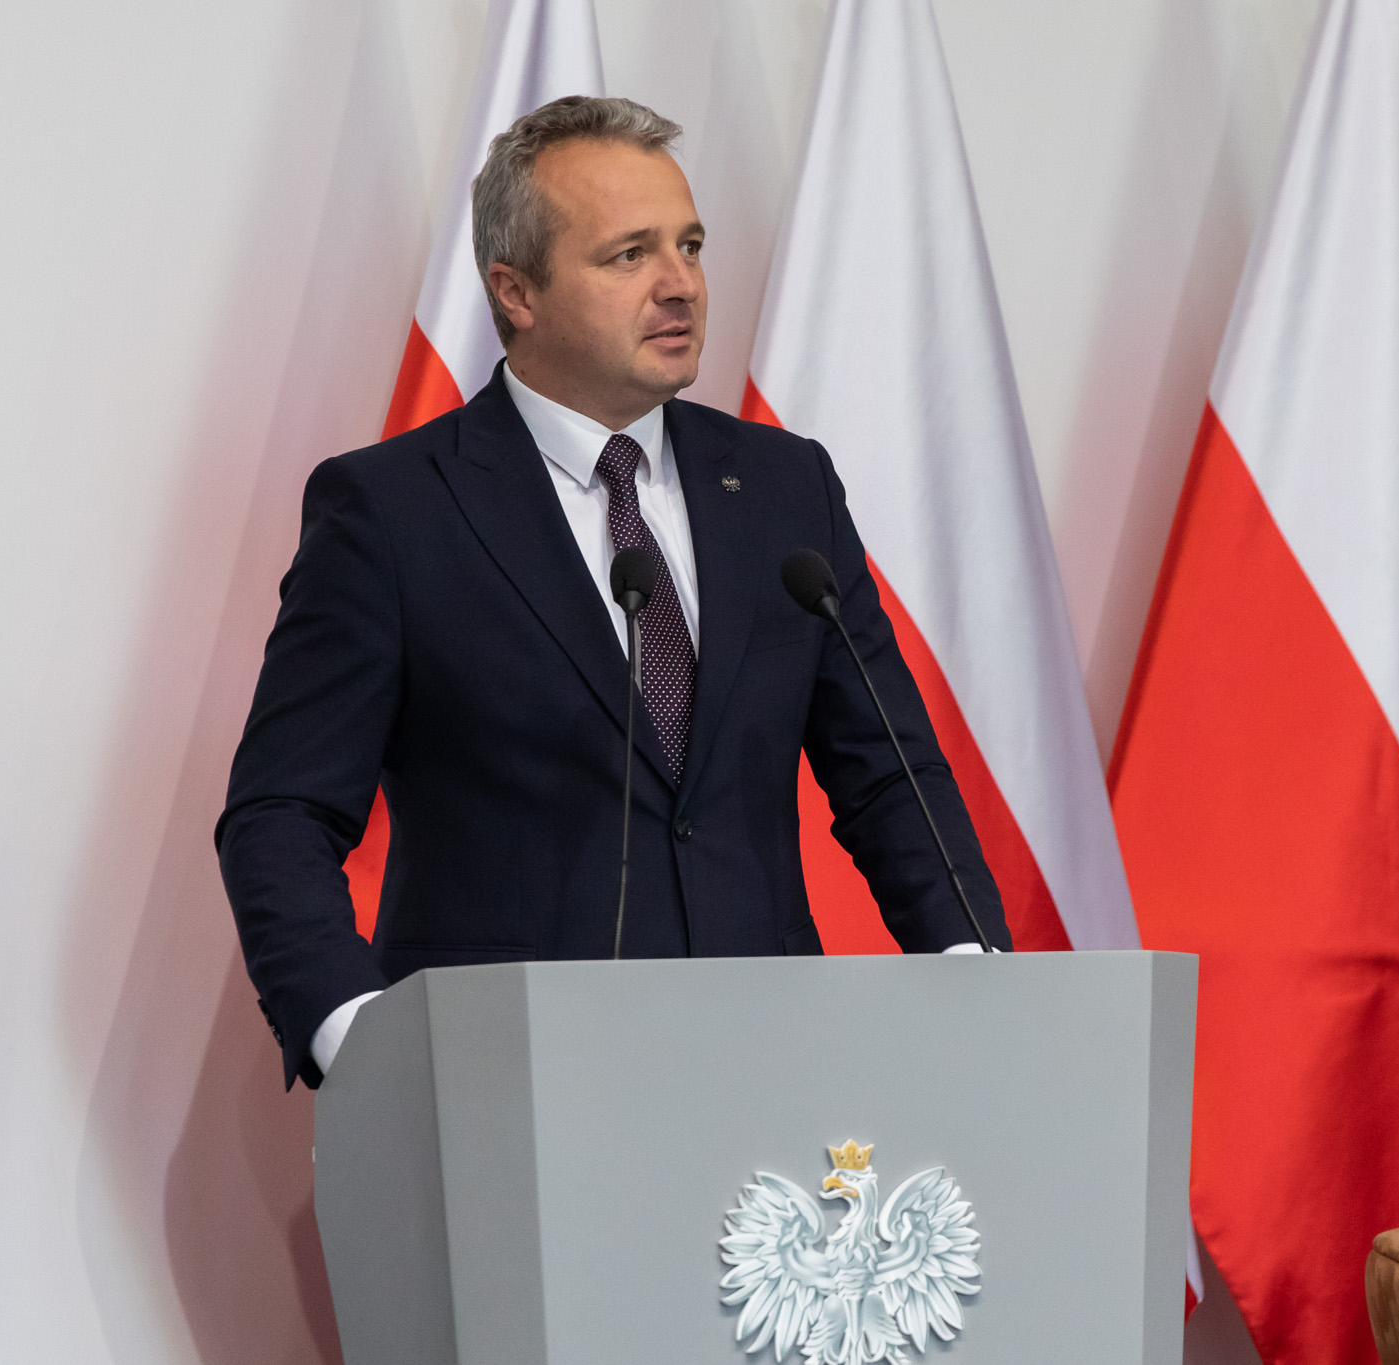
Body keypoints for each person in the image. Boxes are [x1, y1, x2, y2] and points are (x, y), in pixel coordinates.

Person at [217, 96, 1011, 1090]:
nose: (680, 284)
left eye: (689, 246)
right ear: (516, 291)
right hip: (503, 1082)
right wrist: (360, 1042)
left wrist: (975, 976)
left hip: (773, 1070)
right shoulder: (393, 511)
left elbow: (887, 773)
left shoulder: (783, 489)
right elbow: (282, 812)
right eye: (629, 255)